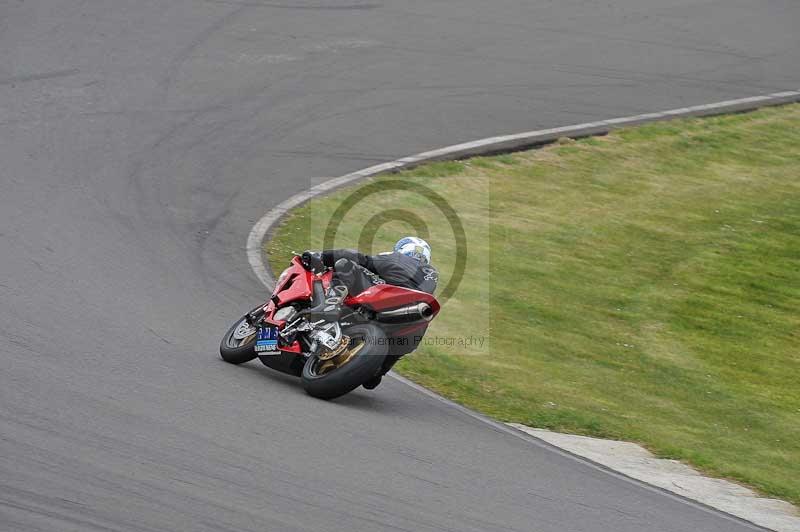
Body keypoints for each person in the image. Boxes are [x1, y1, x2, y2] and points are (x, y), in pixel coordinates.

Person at [301, 236, 438, 389]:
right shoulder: (432, 274)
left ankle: (331, 304)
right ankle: (379, 371)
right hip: (410, 319)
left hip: (388, 298)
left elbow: (361, 258)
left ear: (401, 250)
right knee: (410, 336)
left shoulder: (396, 257)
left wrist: (322, 256)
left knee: (345, 264)